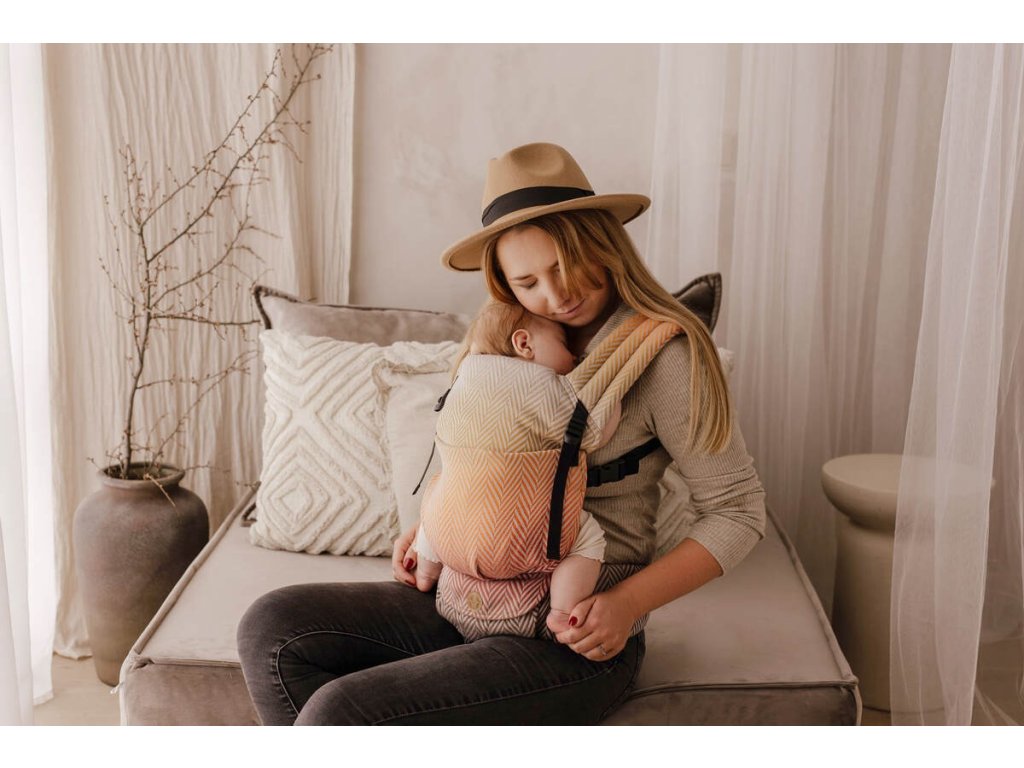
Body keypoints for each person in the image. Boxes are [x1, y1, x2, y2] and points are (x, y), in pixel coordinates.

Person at [236, 142, 766, 725]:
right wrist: (431, 527)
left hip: (568, 631)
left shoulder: (666, 355)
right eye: (528, 281)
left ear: (604, 245)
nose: (557, 296)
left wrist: (625, 604)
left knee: (338, 713)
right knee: (272, 628)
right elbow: (478, 463)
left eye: (565, 266)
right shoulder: (505, 349)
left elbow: (737, 511)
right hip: (467, 595)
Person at [411, 298, 619, 638]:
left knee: (438, 499)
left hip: (445, 530)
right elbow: (595, 431)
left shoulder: (461, 377)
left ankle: (425, 572)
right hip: (514, 537)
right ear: (524, 344)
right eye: (564, 344)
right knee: (588, 536)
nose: (573, 357)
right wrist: (614, 395)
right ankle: (562, 610)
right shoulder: (547, 386)